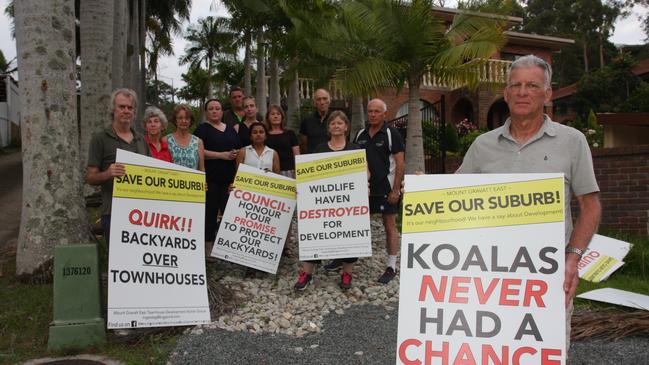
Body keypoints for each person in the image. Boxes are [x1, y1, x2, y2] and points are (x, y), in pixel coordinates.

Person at [456, 54, 601, 351]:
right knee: (489, 352)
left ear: (547, 94)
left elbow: (590, 205)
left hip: (546, 279)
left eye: (532, 85)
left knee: (541, 353)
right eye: (516, 85)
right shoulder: (482, 145)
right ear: (506, 93)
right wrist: (421, 188)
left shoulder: (573, 141)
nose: (523, 92)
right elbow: (454, 198)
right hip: (487, 277)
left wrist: (572, 257)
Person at [294, 111, 363, 291]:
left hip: (347, 203)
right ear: (329, 127)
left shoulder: (354, 150)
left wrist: (365, 184)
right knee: (315, 233)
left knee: (350, 235)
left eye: (340, 123)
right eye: (333, 123)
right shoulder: (320, 149)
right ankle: (306, 273)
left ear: (346, 127)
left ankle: (347, 273)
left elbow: (366, 172)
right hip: (322, 203)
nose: (337, 126)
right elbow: (309, 175)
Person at [86, 88, 150, 245]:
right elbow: (90, 177)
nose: (126, 111)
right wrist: (108, 173)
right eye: (122, 107)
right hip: (114, 212)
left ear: (134, 112)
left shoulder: (141, 140)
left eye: (130, 107)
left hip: (143, 213)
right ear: (113, 109)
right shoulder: (100, 139)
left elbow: (153, 172)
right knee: (117, 263)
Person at [353, 98, 405, 284]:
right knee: (354, 224)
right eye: (370, 111)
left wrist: (396, 190)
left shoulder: (392, 134)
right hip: (363, 191)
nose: (373, 114)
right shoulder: (360, 134)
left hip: (386, 190)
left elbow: (400, 163)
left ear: (384, 114)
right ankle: (347, 259)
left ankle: (392, 265)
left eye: (376, 111)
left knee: (389, 225)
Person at [194, 99, 241, 261]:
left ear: (222, 112)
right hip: (210, 179)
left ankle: (229, 248)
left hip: (228, 179)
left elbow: (238, 147)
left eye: (217, 108)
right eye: (211, 109)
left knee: (230, 214)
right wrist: (221, 155)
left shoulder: (230, 129)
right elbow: (198, 150)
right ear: (206, 112)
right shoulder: (202, 129)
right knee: (210, 213)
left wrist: (233, 155)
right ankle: (208, 248)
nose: (214, 111)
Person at [166, 104, 205, 171]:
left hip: (193, 180)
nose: (184, 121)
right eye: (180, 118)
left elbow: (201, 169)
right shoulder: (166, 140)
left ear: (190, 121)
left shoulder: (198, 142)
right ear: (175, 120)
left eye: (187, 118)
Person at [265, 104, 300, 178]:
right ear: (268, 118)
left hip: (289, 171)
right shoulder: (264, 135)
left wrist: (298, 171)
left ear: (282, 117)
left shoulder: (290, 133)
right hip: (269, 172)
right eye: (272, 114)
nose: (275, 116)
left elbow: (296, 155)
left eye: (278, 114)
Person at [299, 88, 332, 154]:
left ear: (329, 100)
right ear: (314, 102)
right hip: (314, 160)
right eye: (318, 99)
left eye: (324, 99)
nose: (322, 102)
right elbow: (304, 145)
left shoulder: (336, 120)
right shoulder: (307, 121)